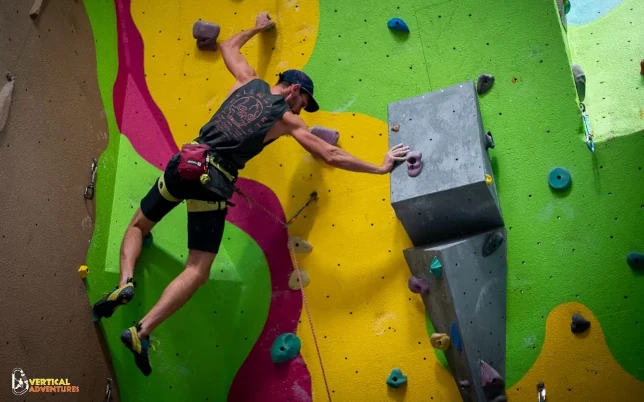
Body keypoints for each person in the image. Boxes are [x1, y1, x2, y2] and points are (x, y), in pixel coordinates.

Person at [91, 11, 409, 376]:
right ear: (294, 89)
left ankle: (125, 282)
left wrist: (259, 28)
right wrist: (380, 167)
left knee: (137, 226)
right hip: (213, 183)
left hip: (185, 163)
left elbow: (228, 44)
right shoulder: (288, 120)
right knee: (197, 268)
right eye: (304, 101)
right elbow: (330, 153)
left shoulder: (245, 80)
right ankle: (142, 329)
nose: (301, 108)